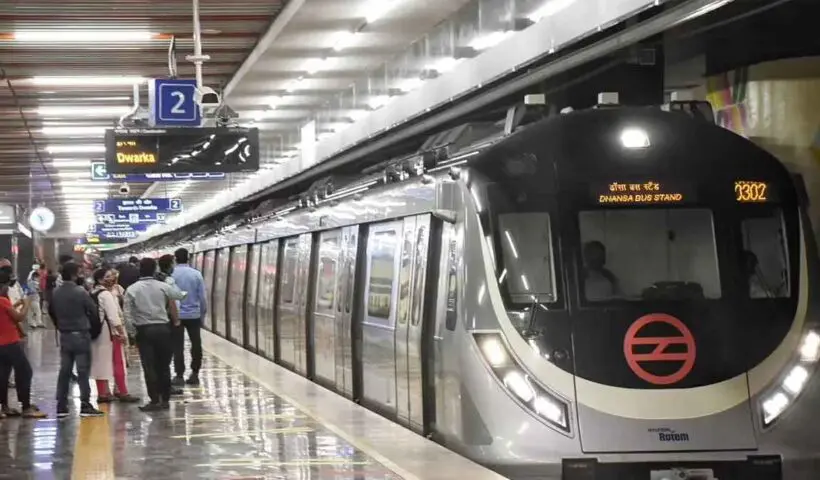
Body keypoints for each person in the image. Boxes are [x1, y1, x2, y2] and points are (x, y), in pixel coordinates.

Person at [123, 257, 181, 412]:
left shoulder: (132, 289)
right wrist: (176, 322)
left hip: (144, 331)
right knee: (164, 366)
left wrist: (132, 333)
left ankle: (154, 400)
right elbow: (173, 305)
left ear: (139, 270)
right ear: (155, 269)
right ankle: (165, 399)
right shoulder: (164, 287)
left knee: (149, 367)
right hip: (163, 329)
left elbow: (127, 315)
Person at [49, 262, 104, 418]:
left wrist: (59, 324)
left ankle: (61, 406)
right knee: (82, 371)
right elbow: (93, 311)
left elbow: (51, 311)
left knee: (64, 371)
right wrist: (94, 330)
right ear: (74, 274)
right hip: (81, 334)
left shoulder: (56, 292)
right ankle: (85, 405)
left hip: (65, 335)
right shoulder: (80, 292)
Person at [89, 268, 140, 404]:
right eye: (107, 276)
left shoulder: (93, 292)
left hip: (97, 332)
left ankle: (103, 393)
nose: (111, 279)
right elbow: (113, 316)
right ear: (100, 279)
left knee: (100, 363)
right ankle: (122, 391)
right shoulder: (106, 294)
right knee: (119, 362)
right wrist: (122, 333)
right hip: (111, 333)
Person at [0, 272, 45, 419]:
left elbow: (5, 314)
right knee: (25, 371)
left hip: (1, 345)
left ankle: (4, 407)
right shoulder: (2, 300)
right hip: (10, 343)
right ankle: (26, 407)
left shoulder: (3, 302)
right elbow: (19, 317)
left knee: (3, 375)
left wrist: (16, 304)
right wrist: (25, 304)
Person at [170, 248, 207, 387]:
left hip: (176, 316)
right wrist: (203, 314)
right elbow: (202, 298)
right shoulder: (196, 274)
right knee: (196, 344)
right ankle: (195, 373)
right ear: (188, 258)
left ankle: (179, 375)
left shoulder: (171, 275)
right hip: (194, 315)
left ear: (175, 259)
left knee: (177, 346)